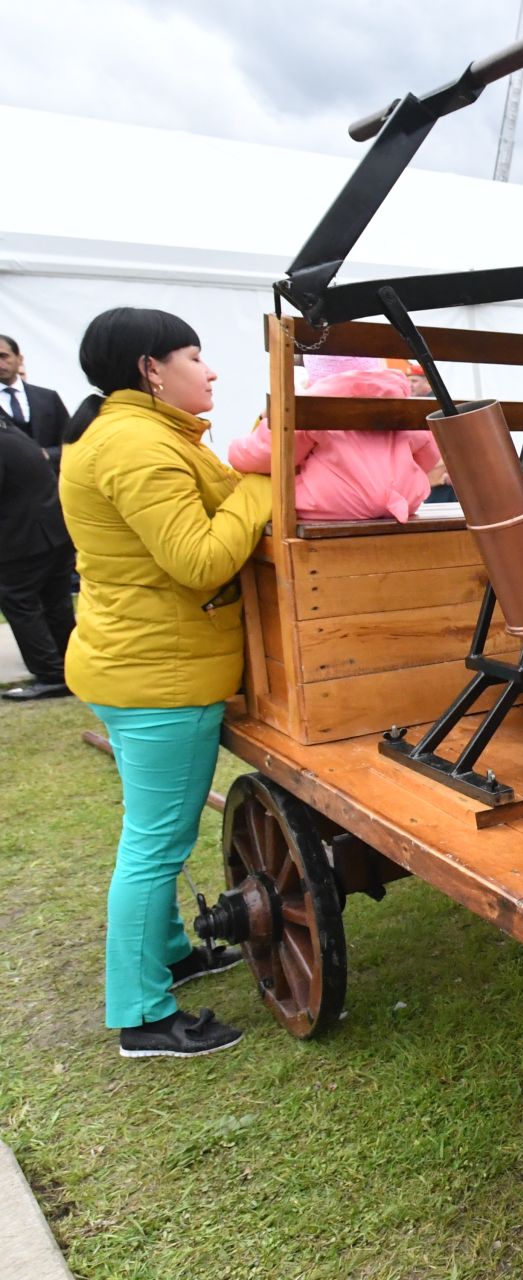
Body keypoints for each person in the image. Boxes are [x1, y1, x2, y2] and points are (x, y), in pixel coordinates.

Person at [60, 307, 272, 1059]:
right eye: (194, 355)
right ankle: (142, 1016)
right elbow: (199, 560)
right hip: (160, 674)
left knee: (154, 838)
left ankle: (174, 957)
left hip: (132, 661)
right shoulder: (138, 447)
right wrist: (263, 478)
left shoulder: (133, 435)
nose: (209, 369)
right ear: (151, 368)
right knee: (154, 846)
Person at [228, 363, 440, 522]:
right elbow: (429, 454)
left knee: (267, 489)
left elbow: (266, 454)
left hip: (333, 503)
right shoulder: (401, 407)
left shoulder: (314, 408)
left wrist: (236, 450)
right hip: (401, 502)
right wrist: (398, 472)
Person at [0, 405, 75, 700]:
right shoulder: (10, 431)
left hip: (23, 538)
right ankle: (69, 666)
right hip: (50, 529)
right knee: (55, 601)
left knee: (19, 601)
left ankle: (51, 674)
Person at [0, 334, 73, 471]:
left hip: (49, 484)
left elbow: (72, 442)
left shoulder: (48, 398)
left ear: (19, 359)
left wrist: (47, 454)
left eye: (4, 356)